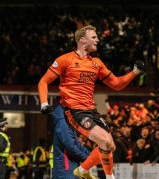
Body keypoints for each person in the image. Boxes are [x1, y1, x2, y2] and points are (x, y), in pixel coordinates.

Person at [38, 25, 144, 179]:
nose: (98, 40)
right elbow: (43, 81)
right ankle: (108, 177)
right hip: (74, 111)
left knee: (111, 146)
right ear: (82, 40)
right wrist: (43, 103)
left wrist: (135, 72)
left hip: (91, 111)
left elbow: (117, 84)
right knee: (105, 142)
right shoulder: (65, 59)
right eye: (94, 37)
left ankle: (82, 170)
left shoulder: (96, 63)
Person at [50, 104, 90, 179]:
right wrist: (89, 159)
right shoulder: (64, 124)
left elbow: (77, 144)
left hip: (68, 170)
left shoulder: (67, 122)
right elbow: (72, 148)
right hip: (65, 172)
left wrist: (91, 155)